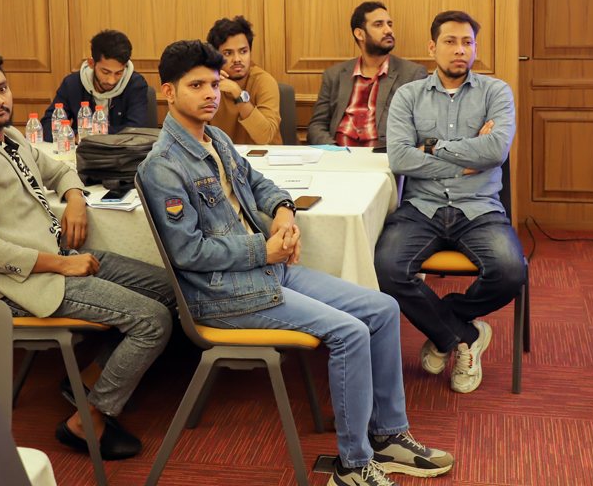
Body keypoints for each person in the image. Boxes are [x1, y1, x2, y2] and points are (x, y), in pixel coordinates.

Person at [139, 40, 453, 486]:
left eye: (213, 83)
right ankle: (352, 466)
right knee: (349, 332)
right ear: (168, 92)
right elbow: (188, 253)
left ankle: (388, 436)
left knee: (383, 308)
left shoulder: (216, 138)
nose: (210, 94)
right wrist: (263, 251)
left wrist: (284, 212)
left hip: (264, 272)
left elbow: (261, 183)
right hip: (221, 294)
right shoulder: (164, 166)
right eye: (196, 86)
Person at [0, 48, 175, 458]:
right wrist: (63, 264)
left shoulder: (9, 137)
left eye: (2, 89)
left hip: (58, 256)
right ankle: (86, 420)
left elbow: (61, 170)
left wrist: (75, 199)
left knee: (170, 288)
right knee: (154, 320)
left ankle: (87, 380)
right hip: (23, 283)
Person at [374, 11, 525, 395]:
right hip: (421, 207)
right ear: (432, 47)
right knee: (387, 268)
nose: (460, 50)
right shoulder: (408, 95)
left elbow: (495, 150)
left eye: (467, 42)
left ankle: (447, 325)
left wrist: (430, 146)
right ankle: (463, 336)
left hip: (479, 207)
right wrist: (466, 159)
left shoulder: (496, 92)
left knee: (510, 271)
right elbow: (400, 158)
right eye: (450, 41)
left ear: (475, 48)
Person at [308, 2, 428, 146]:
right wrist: (334, 151)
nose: (388, 30)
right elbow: (317, 126)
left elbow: (421, 129)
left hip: (383, 156)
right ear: (360, 34)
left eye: (389, 24)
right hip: (339, 154)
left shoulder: (412, 74)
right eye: (378, 25)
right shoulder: (334, 75)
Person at [42, 30, 149, 139]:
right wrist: (75, 135)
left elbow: (137, 129)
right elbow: (48, 125)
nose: (111, 81)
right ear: (91, 63)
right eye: (105, 72)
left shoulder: (135, 84)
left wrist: (88, 135)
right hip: (81, 148)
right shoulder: (72, 84)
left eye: (119, 73)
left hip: (122, 149)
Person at [205, 15, 282, 145]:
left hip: (264, 156)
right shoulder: (207, 84)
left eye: (243, 51)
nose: (237, 59)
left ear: (250, 53)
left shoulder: (264, 81)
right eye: (228, 53)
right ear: (215, 57)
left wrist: (237, 92)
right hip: (220, 155)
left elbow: (264, 138)